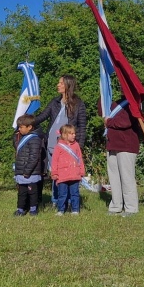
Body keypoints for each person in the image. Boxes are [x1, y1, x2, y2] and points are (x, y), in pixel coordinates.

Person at [33, 75, 88, 208]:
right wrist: (27, 121)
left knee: (69, 173)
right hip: (53, 144)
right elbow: (43, 116)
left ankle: (70, 201)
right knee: (56, 172)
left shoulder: (78, 103)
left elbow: (81, 125)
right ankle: (56, 200)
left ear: (68, 85)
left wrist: (78, 145)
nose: (58, 85)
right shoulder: (55, 102)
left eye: (61, 83)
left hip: (69, 146)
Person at [105, 98, 141, 217]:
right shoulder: (115, 103)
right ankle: (116, 206)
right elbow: (103, 112)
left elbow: (125, 122)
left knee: (127, 177)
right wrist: (103, 94)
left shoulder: (133, 103)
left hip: (127, 145)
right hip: (113, 143)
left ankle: (131, 207)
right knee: (114, 177)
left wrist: (109, 122)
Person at [50, 124, 85, 215]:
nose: (74, 135)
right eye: (71, 133)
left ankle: (75, 210)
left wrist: (81, 170)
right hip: (62, 175)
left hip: (74, 174)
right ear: (65, 135)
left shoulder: (76, 145)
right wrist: (54, 173)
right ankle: (61, 210)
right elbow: (54, 160)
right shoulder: (58, 146)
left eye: (74, 133)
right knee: (62, 194)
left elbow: (79, 158)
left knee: (75, 194)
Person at [14, 114, 44, 216]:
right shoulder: (23, 138)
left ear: (29, 127)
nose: (19, 129)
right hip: (22, 172)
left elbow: (34, 157)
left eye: (21, 127)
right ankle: (20, 209)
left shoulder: (35, 139)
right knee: (21, 193)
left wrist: (27, 171)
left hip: (30, 172)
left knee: (32, 193)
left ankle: (33, 209)